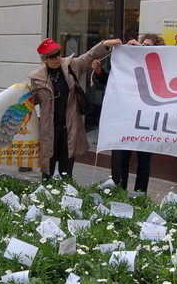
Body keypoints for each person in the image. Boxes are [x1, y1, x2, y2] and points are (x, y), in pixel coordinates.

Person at [29, 37, 121, 179]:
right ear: (45, 59)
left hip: (69, 127)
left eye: (58, 53)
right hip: (49, 130)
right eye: (53, 56)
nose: (58, 58)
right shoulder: (38, 78)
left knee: (66, 172)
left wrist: (104, 44)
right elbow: (30, 101)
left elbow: (89, 56)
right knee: (47, 170)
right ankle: (45, 198)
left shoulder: (71, 66)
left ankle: (66, 197)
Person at [99, 33, 165, 194]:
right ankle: (120, 192)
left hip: (146, 122)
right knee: (122, 159)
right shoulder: (131, 65)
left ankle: (139, 195)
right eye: (144, 45)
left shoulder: (158, 67)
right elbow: (112, 80)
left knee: (144, 162)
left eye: (149, 47)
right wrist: (98, 71)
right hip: (127, 120)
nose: (144, 48)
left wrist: (141, 49)